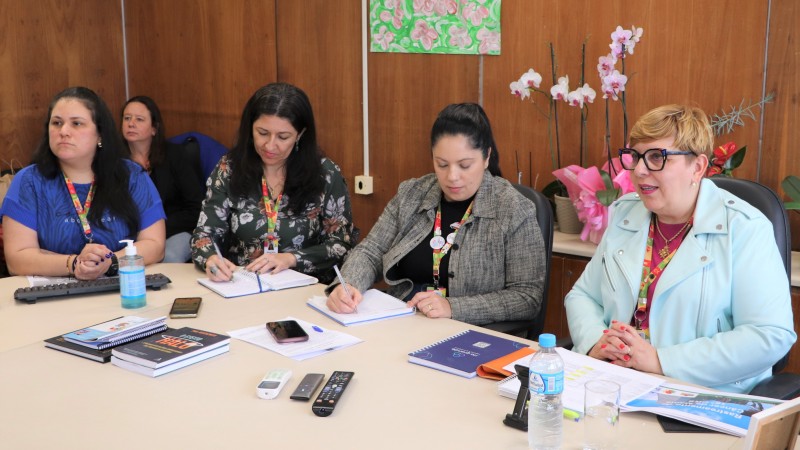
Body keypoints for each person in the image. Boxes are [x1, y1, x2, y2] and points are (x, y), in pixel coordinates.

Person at [565, 104, 796, 393]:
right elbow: (583, 295)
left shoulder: (745, 228)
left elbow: (769, 335)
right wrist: (595, 342)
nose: (638, 170)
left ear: (697, 167)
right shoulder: (626, 213)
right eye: (635, 156)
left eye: (656, 157)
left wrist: (662, 360)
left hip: (700, 396)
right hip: (616, 383)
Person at [325, 103, 546, 325]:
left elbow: (526, 297)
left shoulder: (513, 209)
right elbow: (371, 251)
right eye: (442, 164)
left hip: (471, 334)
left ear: (487, 156)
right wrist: (348, 285)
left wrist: (453, 307)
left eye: (465, 165)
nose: (452, 176)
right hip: (404, 322)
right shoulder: (412, 194)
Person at [191, 82, 355, 284]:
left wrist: (291, 259)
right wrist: (211, 258)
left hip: (304, 288)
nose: (270, 146)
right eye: (262, 133)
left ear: (300, 135)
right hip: (242, 285)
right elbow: (204, 233)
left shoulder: (325, 175)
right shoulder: (230, 168)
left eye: (283, 137)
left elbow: (341, 243)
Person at [0, 86, 166, 280]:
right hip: (53, 295)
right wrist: (75, 263)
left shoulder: (132, 176)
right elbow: (17, 258)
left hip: (122, 286)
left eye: (76, 124)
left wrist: (110, 262)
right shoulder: (29, 181)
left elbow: (155, 244)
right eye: (56, 123)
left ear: (100, 135)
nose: (63, 131)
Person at [121, 95, 204, 262]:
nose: (131, 123)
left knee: (169, 258)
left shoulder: (175, 155)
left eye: (139, 119)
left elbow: (196, 207)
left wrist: (154, 229)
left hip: (176, 230)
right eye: (127, 118)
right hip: (130, 235)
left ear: (154, 128)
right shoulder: (115, 161)